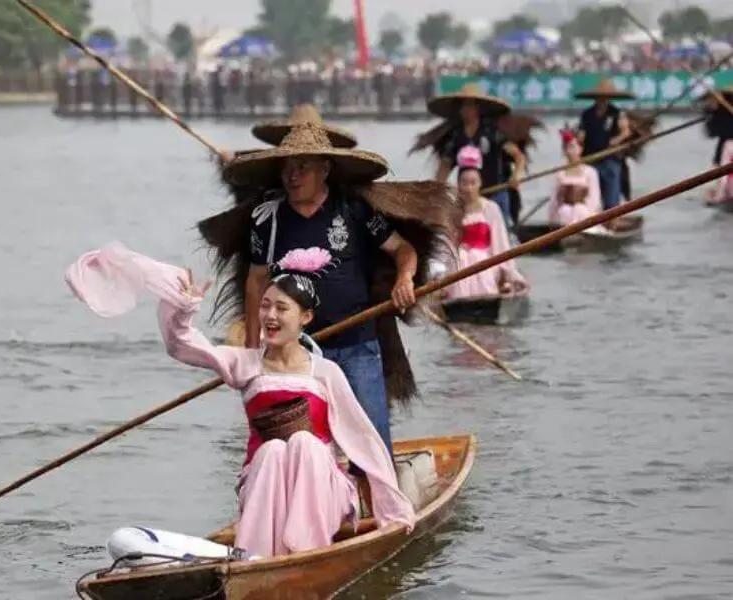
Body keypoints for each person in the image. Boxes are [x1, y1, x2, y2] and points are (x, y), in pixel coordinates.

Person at [65, 242, 416, 558]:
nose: (271, 316)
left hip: (324, 492)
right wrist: (184, 307)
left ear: (305, 318)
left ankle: (307, 550)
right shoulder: (245, 364)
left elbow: (364, 442)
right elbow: (182, 343)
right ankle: (259, 556)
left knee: (306, 445)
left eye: (282, 308)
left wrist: (393, 510)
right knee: (273, 451)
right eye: (265, 306)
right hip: (264, 485)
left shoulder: (325, 374)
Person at [198, 114, 462, 461]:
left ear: (324, 170)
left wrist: (404, 278)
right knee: (301, 446)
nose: (293, 175)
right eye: (288, 167)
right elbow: (256, 282)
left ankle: (385, 504)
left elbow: (403, 250)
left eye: (303, 167)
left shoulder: (355, 210)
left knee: (371, 441)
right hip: (298, 354)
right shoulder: (269, 219)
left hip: (357, 347)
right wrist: (251, 351)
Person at [410, 83, 538, 229]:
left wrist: (516, 175)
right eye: (463, 106)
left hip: (496, 193)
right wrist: (437, 191)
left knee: (503, 232)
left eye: (469, 105)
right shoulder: (456, 137)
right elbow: (444, 166)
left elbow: (519, 157)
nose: (465, 110)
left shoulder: (492, 133)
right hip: (469, 196)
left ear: (477, 108)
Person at [441, 145, 528, 301]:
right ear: (458, 185)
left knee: (476, 258)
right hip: (459, 266)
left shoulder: (490, 208)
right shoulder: (452, 212)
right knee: (461, 258)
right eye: (464, 183)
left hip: (486, 264)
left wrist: (506, 274)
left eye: (473, 183)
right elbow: (446, 248)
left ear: (480, 183)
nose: (468, 188)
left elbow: (501, 244)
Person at [574, 79, 634, 212]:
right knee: (589, 196)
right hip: (590, 158)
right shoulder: (587, 114)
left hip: (609, 159)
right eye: (600, 97)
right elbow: (581, 133)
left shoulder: (617, 113)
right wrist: (578, 141)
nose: (603, 100)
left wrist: (616, 140)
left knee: (611, 198)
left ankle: (612, 218)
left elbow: (626, 132)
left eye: (605, 97)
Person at [547, 128, 608, 232]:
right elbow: (554, 201)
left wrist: (584, 212)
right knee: (564, 211)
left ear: (580, 149)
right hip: (564, 214)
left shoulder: (590, 172)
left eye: (573, 147)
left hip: (584, 214)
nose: (570, 151)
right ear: (564, 151)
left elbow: (594, 199)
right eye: (567, 148)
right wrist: (551, 220)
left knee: (580, 211)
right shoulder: (560, 174)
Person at [702, 85, 733, 205]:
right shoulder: (721, 109)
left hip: (727, 145)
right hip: (726, 145)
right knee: (721, 171)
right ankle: (721, 194)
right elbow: (712, 131)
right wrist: (711, 109)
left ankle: (721, 194)